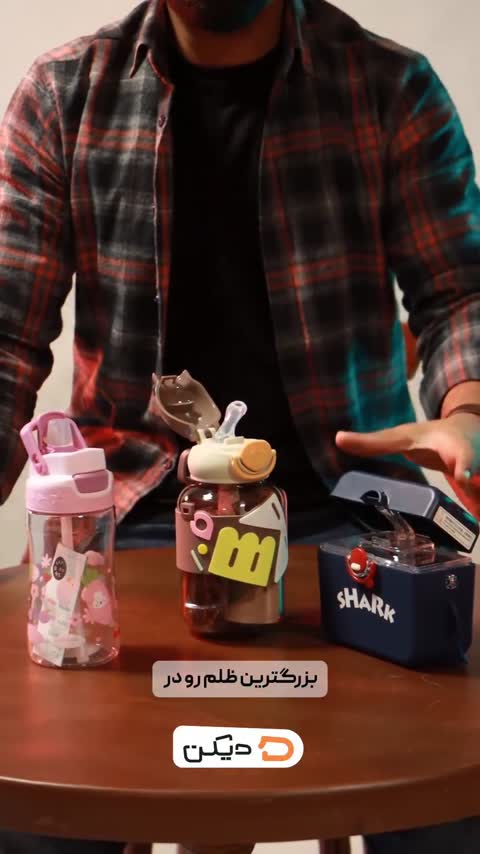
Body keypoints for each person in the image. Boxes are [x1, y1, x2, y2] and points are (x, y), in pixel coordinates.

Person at [0, 0, 479, 852]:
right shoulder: (63, 92)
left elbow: (459, 293)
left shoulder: (389, 86)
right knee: (40, 804)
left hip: (352, 513)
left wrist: (467, 414)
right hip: (134, 517)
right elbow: (6, 330)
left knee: (452, 796)